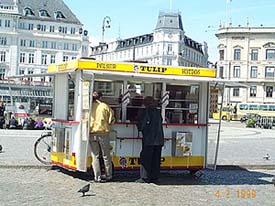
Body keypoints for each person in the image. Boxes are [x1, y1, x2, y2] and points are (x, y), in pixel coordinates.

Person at [136, 96, 164, 183]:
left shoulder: (146, 111)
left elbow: (142, 124)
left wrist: (140, 127)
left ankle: (145, 177)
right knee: (156, 159)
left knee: (146, 158)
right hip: (159, 139)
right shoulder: (158, 111)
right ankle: (155, 177)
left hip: (149, 139)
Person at [90, 91, 115, 183]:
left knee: (95, 156)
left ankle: (97, 177)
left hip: (92, 133)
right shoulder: (104, 106)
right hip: (103, 133)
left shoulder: (89, 106)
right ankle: (109, 175)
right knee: (106, 155)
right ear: (101, 97)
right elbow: (111, 120)